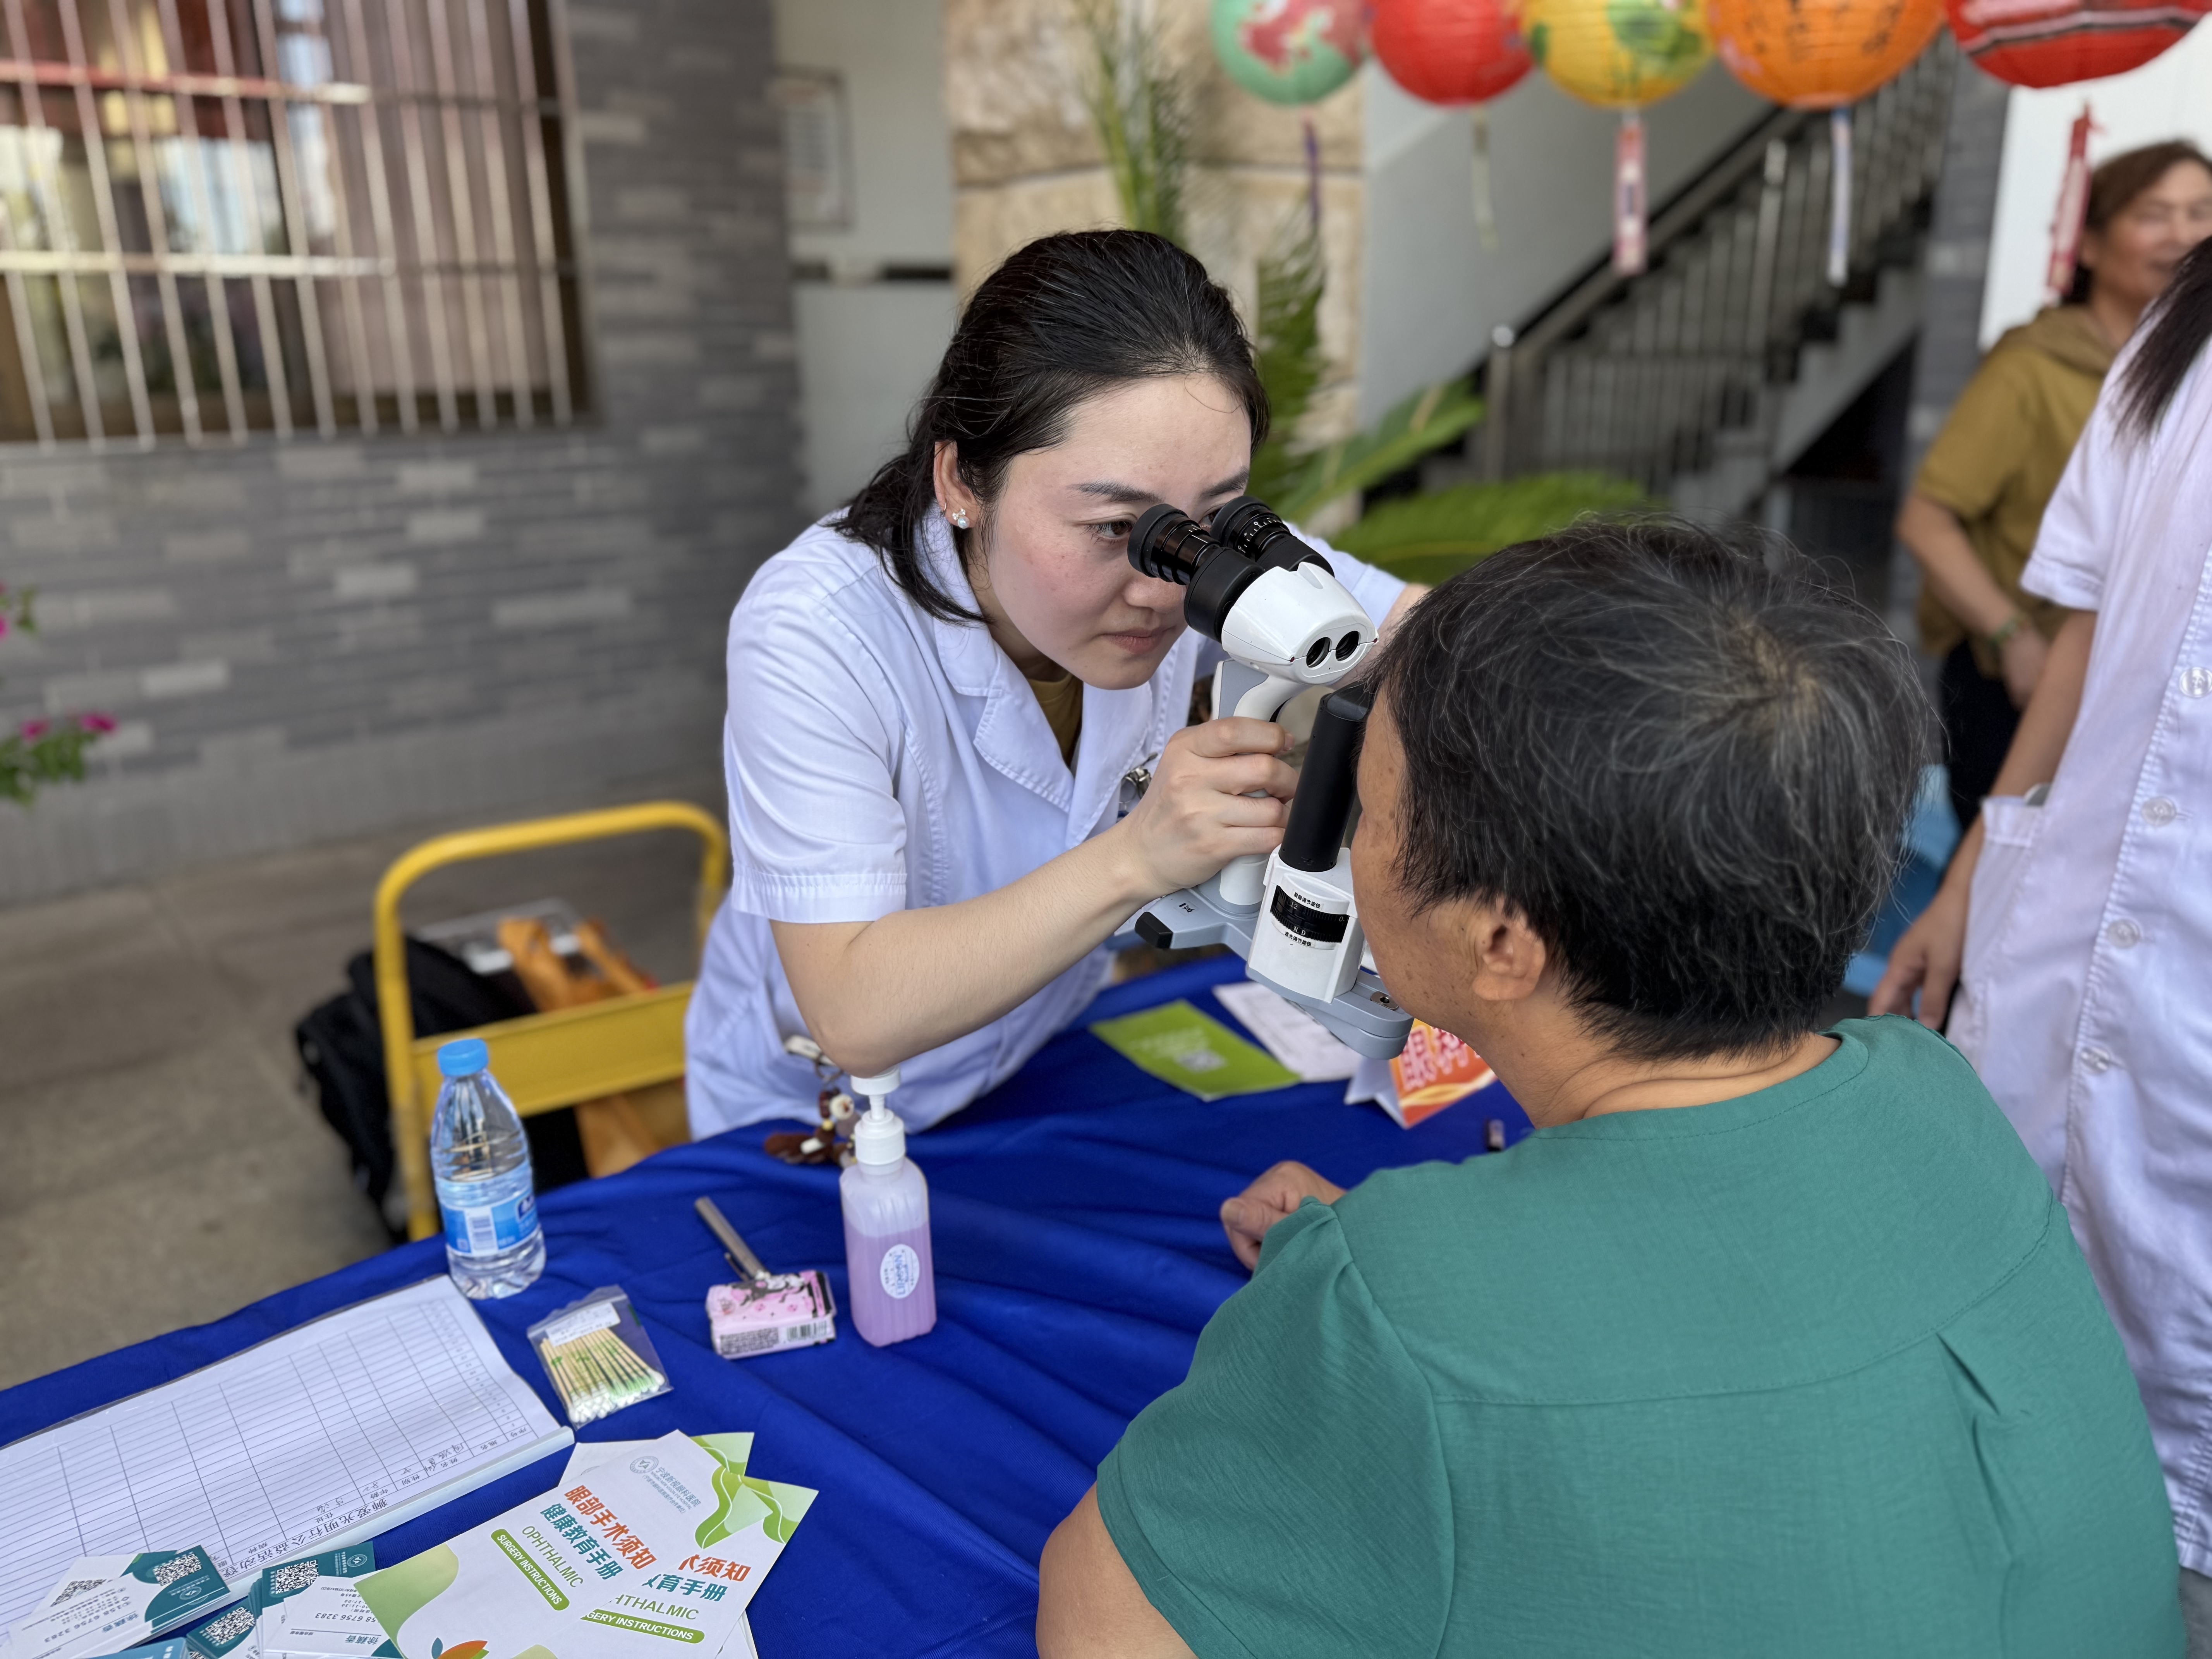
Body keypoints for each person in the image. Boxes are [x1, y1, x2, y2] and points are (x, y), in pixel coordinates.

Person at [1037, 522, 2183, 1658]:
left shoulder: (1395, 1302)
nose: (1335, 838)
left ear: (1502, 937)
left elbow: (1098, 1619)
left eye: (1367, 811)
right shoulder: (1936, 1098)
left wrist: (1371, 1304)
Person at [682, 230, 1422, 1136]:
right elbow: (854, 1008)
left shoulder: (1192, 551)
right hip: (823, 1119)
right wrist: (1140, 855)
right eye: (1116, 528)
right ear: (962, 481)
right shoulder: (816, 630)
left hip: (1041, 1059)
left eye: (1215, 520)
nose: (1169, 585)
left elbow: (1430, 628)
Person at [1874, 234, 2212, 1655]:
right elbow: (2090, 627)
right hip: (2061, 939)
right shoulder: (2180, 328)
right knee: (1995, 1388)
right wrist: (1972, 874)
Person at [1896, 140, 2212, 835]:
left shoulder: (2196, 379)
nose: (2186, 235)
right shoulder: (2035, 365)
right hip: (2022, 681)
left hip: (2131, 690)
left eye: (2201, 212)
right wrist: (2013, 636)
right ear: (2091, 245)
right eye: (2154, 215)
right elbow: (1927, 519)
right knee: (2000, 874)